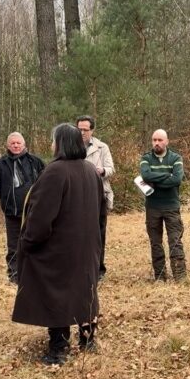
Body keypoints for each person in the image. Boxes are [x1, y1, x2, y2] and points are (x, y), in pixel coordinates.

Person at [12, 123, 105, 365]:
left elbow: (41, 217)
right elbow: (101, 213)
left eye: (53, 140)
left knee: (58, 293)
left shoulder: (55, 172)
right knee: (85, 288)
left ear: (60, 143)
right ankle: (87, 339)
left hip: (60, 248)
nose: (51, 145)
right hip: (86, 246)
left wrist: (29, 242)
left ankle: (59, 347)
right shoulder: (90, 170)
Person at [0, 132, 45, 284]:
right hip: (11, 212)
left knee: (35, 242)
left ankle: (35, 272)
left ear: (24, 144)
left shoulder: (35, 161)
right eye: (12, 143)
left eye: (18, 143)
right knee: (13, 246)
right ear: (8, 145)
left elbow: (44, 183)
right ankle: (14, 274)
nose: (15, 146)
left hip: (33, 212)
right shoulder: (1, 163)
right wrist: (7, 200)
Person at [139, 129, 187, 281]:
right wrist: (167, 175)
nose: (157, 143)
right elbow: (145, 175)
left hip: (171, 206)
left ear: (167, 141)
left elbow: (177, 179)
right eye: (154, 140)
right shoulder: (146, 158)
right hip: (153, 207)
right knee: (155, 242)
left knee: (175, 240)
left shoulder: (176, 158)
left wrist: (156, 181)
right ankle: (160, 276)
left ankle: (180, 275)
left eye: (160, 140)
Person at [77, 115, 114, 279]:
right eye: (79, 129)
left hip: (99, 195)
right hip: (77, 196)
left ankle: (98, 269)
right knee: (77, 233)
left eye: (86, 129)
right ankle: (79, 267)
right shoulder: (72, 147)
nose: (82, 132)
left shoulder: (102, 147)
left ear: (92, 130)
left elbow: (111, 169)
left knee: (98, 234)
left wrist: (101, 171)